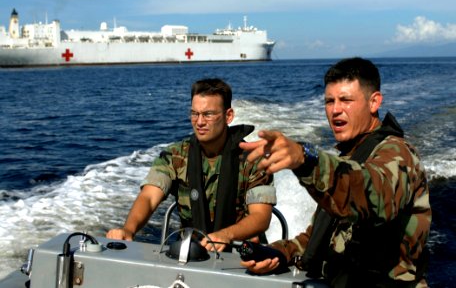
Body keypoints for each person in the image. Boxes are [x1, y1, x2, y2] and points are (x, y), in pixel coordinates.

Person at [239, 58, 431, 287]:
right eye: (329, 101)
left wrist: (305, 160)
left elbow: (371, 196)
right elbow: (317, 238)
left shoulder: (399, 155)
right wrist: (278, 252)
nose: (335, 110)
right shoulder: (347, 160)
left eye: (346, 100)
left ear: (374, 102)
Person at [107, 78, 276, 252]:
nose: (200, 122)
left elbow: (261, 216)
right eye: (195, 114)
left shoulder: (254, 160)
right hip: (192, 254)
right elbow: (149, 197)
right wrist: (129, 229)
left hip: (242, 256)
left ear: (228, 116)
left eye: (208, 114)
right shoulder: (175, 156)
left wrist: (226, 235)